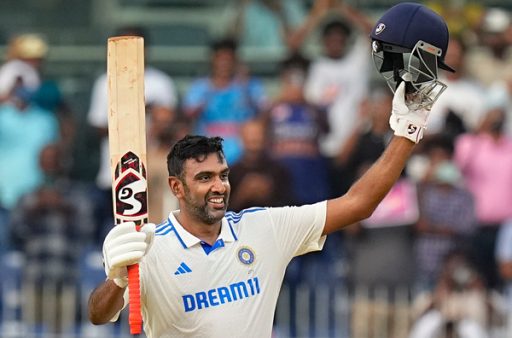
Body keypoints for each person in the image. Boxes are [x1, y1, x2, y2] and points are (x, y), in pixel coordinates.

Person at [88, 3, 454, 337]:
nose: (219, 187)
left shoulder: (262, 228)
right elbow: (98, 314)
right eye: (204, 178)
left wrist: (408, 129)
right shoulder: (149, 247)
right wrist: (117, 278)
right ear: (176, 187)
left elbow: (358, 203)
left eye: (223, 175)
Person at [87, 25, 178, 240]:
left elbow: (172, 124)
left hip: (152, 170)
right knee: (116, 238)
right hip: (114, 170)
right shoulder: (105, 81)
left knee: (151, 235)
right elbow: (98, 127)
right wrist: (133, 111)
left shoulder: (161, 82)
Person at [182, 37, 267, 165]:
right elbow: (188, 114)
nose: (224, 64)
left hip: (242, 157)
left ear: (235, 61)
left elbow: (265, 111)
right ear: (213, 60)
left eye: (228, 60)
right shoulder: (200, 87)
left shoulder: (249, 85)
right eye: (220, 59)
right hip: (208, 154)